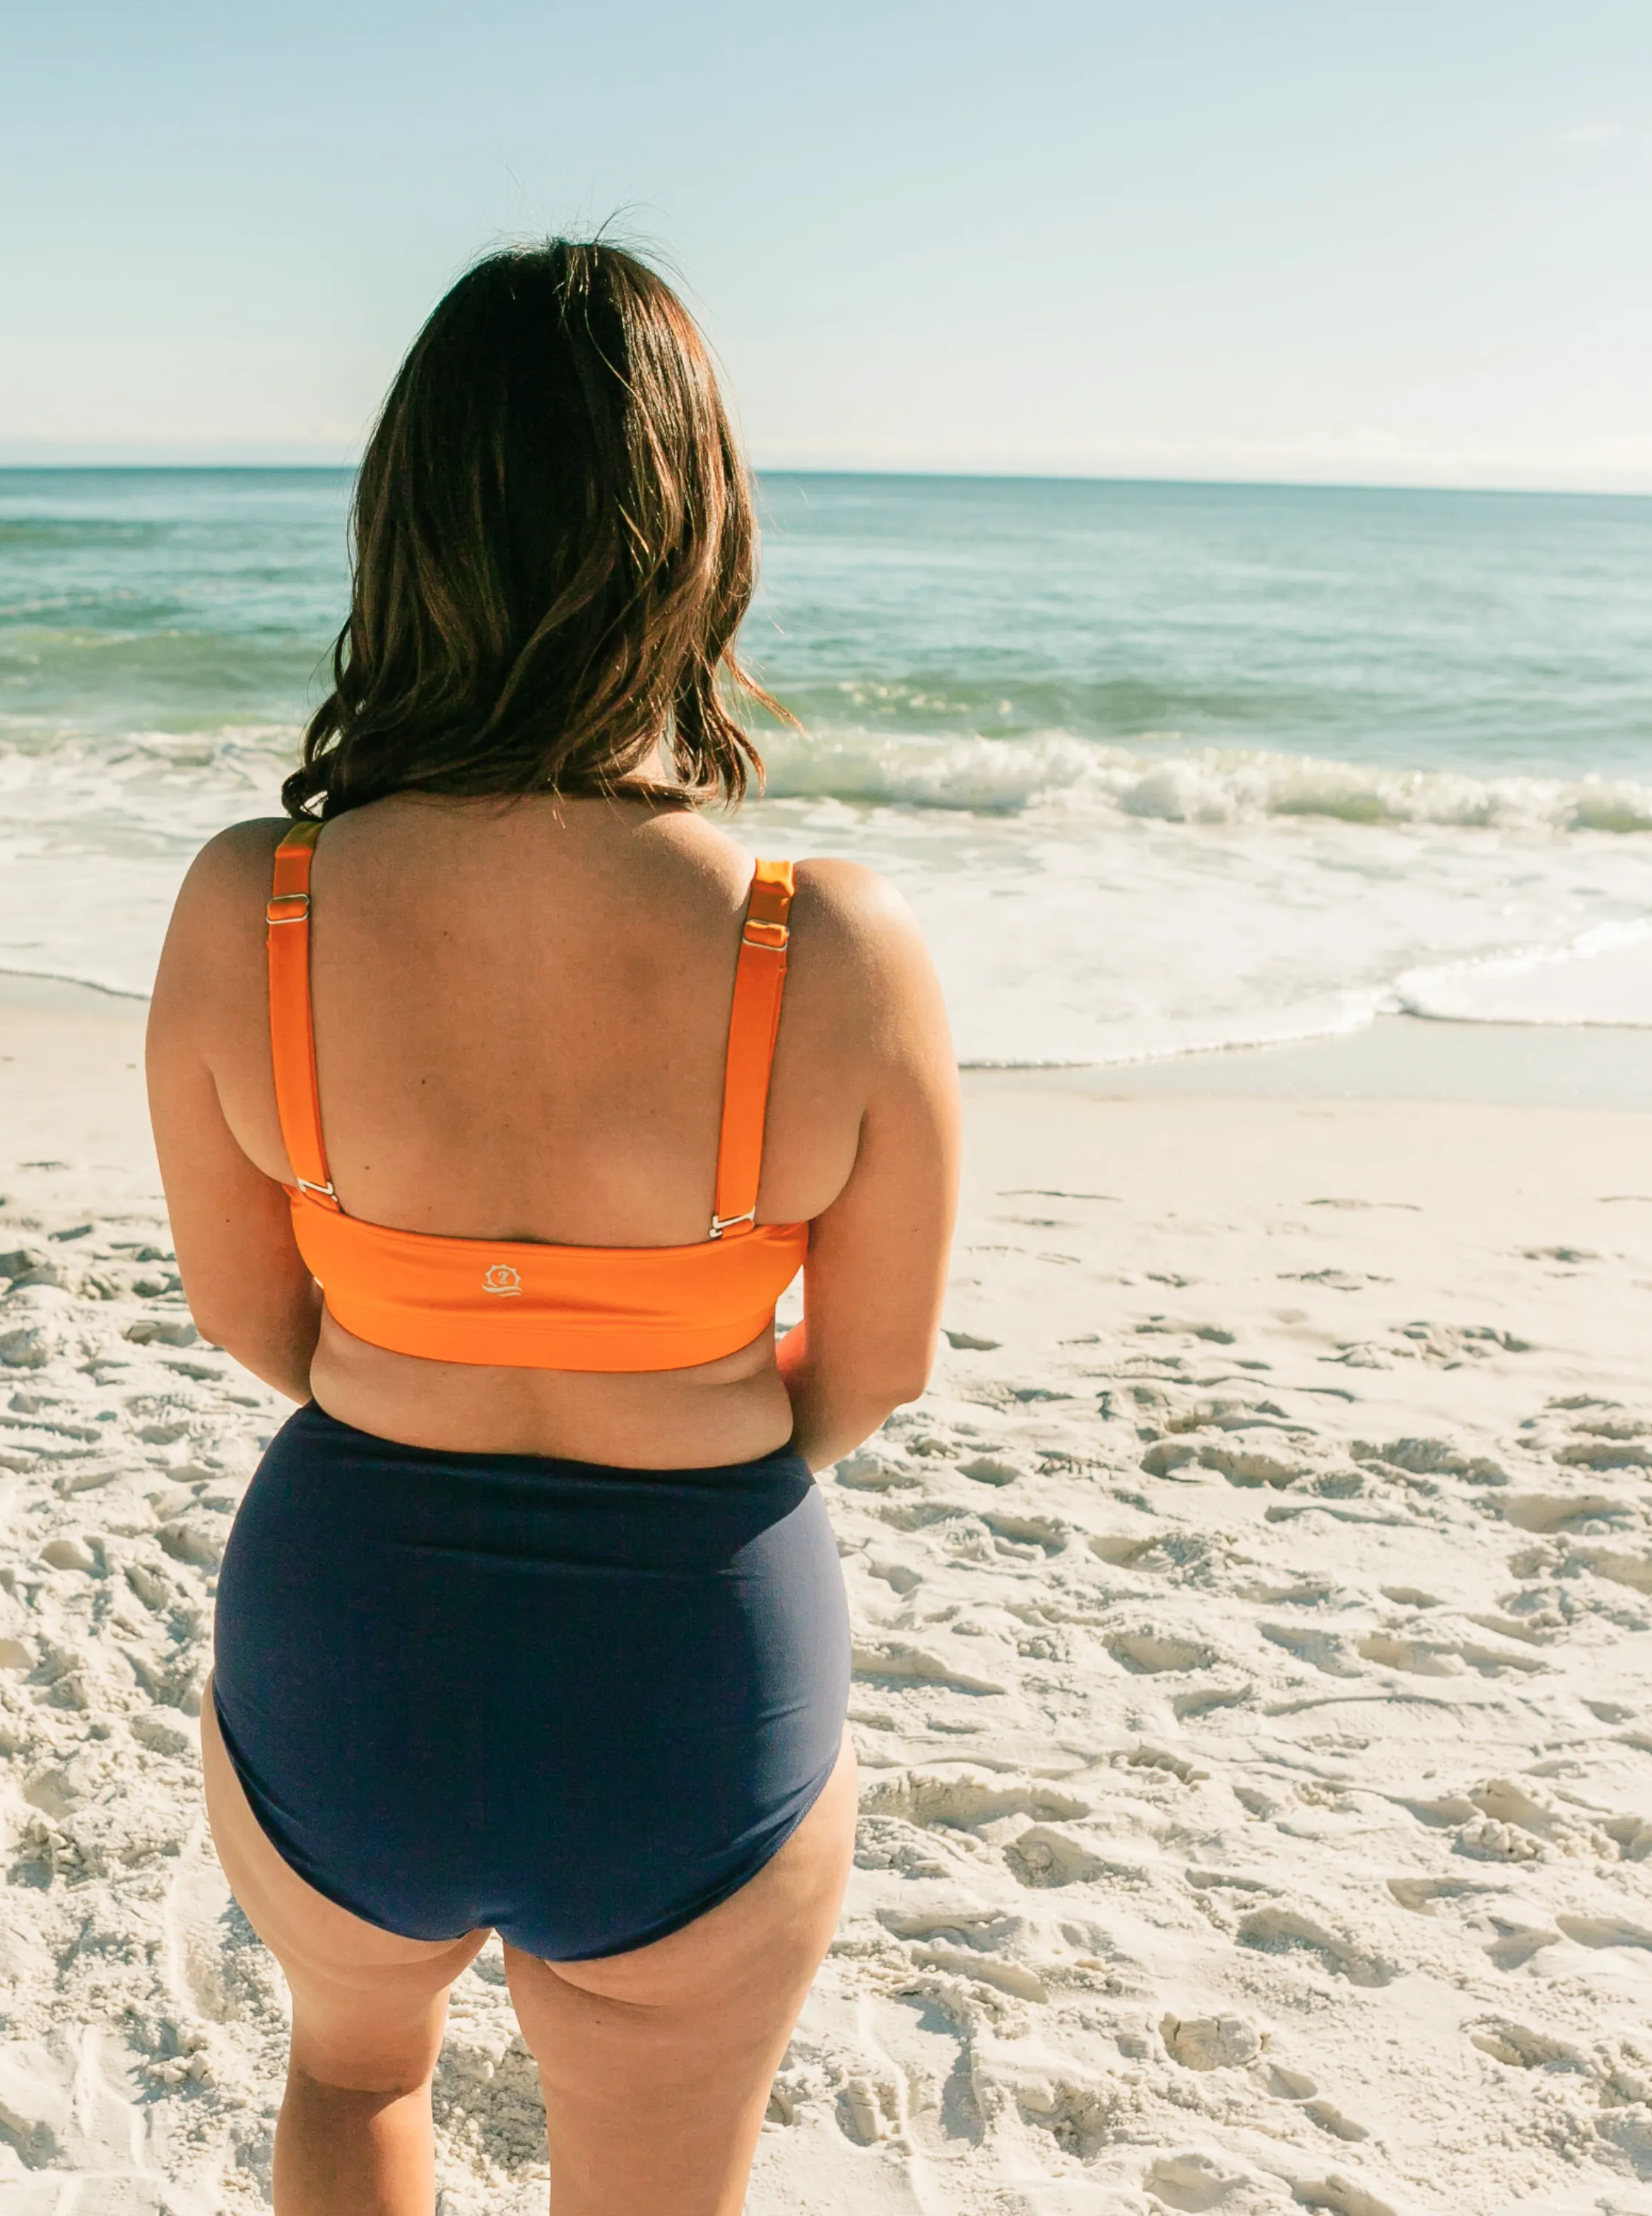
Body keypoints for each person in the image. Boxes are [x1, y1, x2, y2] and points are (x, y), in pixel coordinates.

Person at [145, 239, 960, 2216]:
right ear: (699, 534)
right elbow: (872, 1372)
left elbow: (253, 1316)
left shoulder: (255, 905)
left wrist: (455, 1333)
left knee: (349, 2082)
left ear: (402, 524)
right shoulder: (824, 947)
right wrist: (644, 1371)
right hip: (687, 1663)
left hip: (352, 1633)